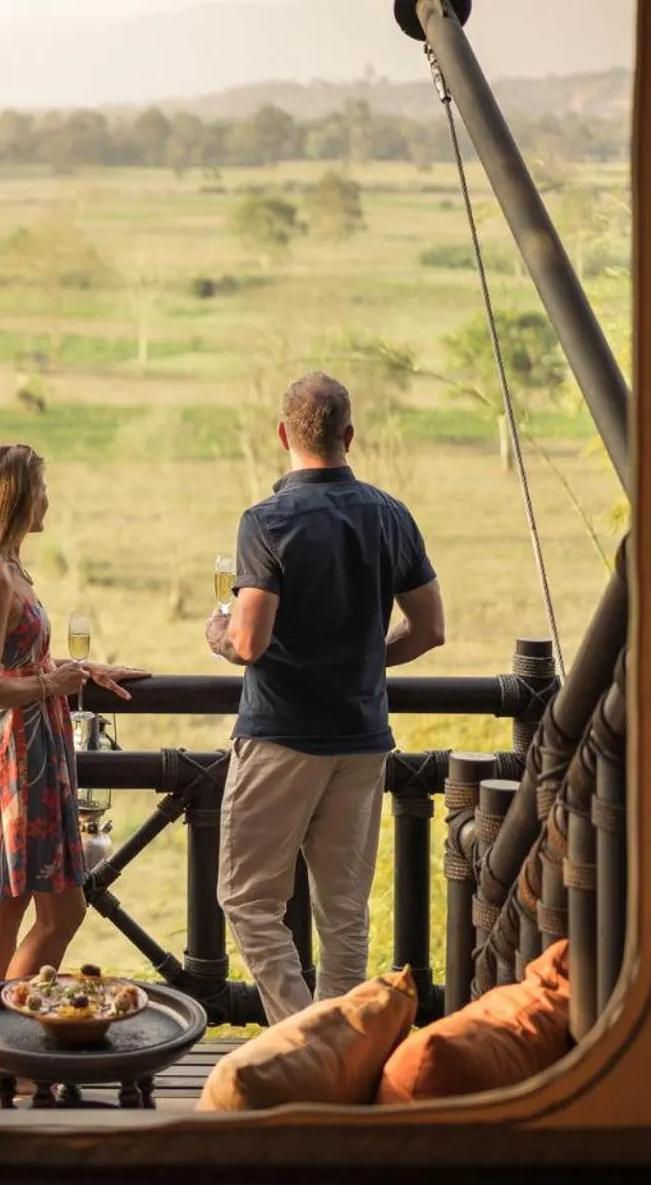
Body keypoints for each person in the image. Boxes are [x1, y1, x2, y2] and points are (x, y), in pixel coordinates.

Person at [204, 373, 446, 1027]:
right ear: (349, 436)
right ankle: (338, 1050)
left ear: (284, 434)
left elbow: (250, 640)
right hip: (363, 738)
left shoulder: (267, 521)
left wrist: (218, 633)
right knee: (344, 913)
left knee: (248, 899)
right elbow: (431, 630)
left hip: (280, 734)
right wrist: (368, 660)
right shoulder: (391, 515)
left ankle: (301, 1035)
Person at [0, 443, 150, 1095]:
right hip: (9, 754)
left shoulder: (14, 571)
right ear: (14, 497)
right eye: (40, 487)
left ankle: (11, 1051)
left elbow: (29, 662)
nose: (47, 500)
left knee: (61, 911)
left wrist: (82, 672)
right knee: (7, 907)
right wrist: (48, 683)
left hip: (36, 749)